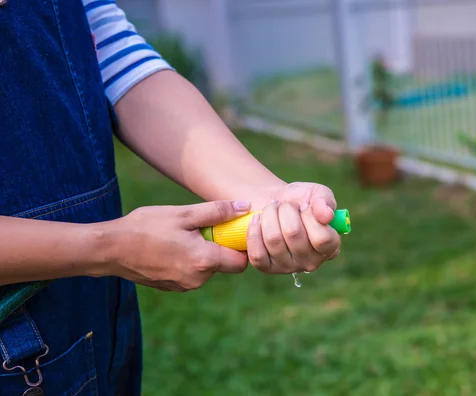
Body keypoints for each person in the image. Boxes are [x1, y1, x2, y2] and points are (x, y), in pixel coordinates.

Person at [0, 1, 341, 394]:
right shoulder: (107, 252)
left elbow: (112, 54)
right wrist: (106, 248)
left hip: (97, 316)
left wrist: (269, 197)